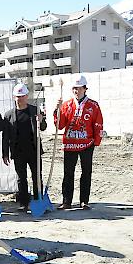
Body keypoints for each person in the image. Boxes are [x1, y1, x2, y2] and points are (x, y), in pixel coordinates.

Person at [54, 74, 103, 210]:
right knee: (68, 173)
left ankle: (84, 201)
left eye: (79, 88)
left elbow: (98, 124)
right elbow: (60, 125)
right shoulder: (66, 105)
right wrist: (56, 110)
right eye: (74, 88)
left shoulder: (93, 106)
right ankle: (66, 201)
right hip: (70, 144)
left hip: (87, 144)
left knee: (86, 172)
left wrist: (96, 142)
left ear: (85, 89)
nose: (76, 91)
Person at [2, 83, 46, 211]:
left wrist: (41, 120)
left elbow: (43, 127)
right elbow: (5, 136)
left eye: (22, 96)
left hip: (34, 151)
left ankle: (38, 200)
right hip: (18, 151)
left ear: (27, 96)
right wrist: (5, 154)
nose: (20, 98)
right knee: (21, 178)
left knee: (37, 176)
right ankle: (24, 203)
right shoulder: (9, 115)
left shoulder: (35, 110)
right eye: (18, 96)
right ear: (14, 97)